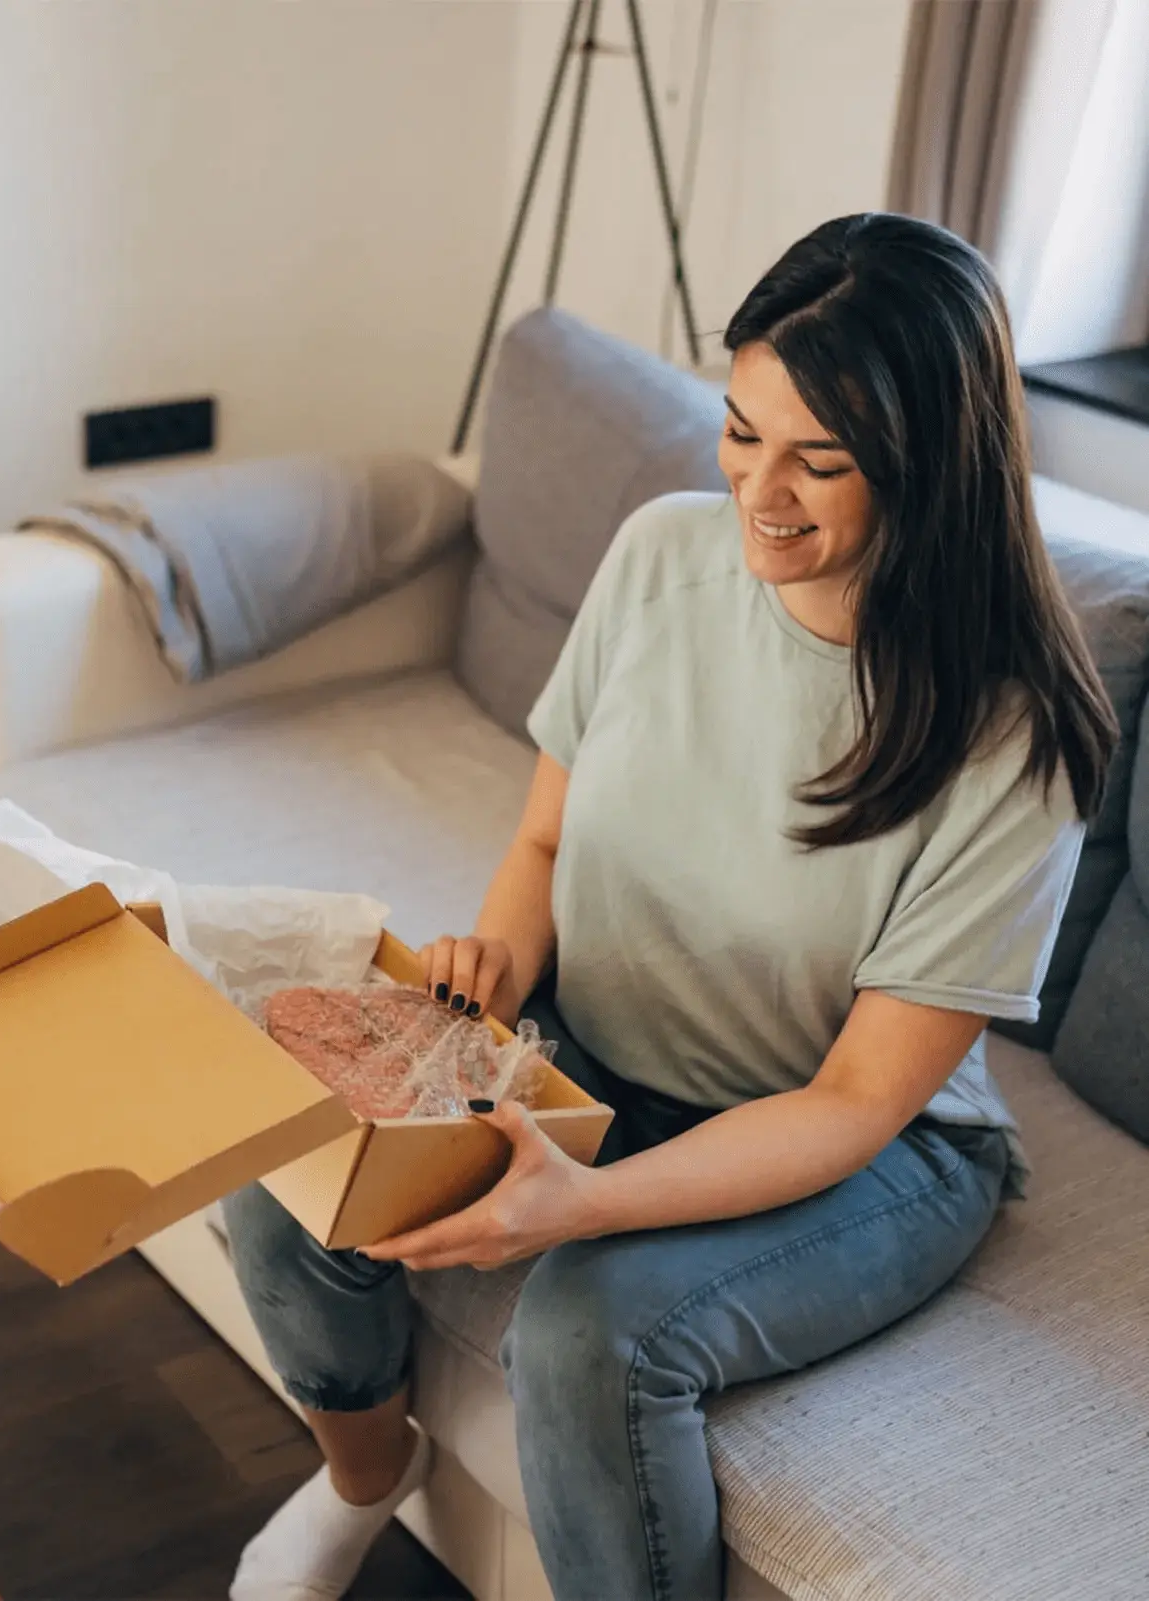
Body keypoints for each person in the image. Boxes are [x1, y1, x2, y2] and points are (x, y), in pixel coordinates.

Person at [221, 213, 1119, 1601]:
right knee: (291, 1177)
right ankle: (363, 1477)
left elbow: (856, 1101)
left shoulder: (1015, 737)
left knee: (590, 1339)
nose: (762, 490)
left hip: (870, 1146)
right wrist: (499, 964)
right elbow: (542, 839)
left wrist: (577, 1206)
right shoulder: (659, 558)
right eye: (740, 431)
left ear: (933, 468)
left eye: (821, 460)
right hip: (601, 1043)